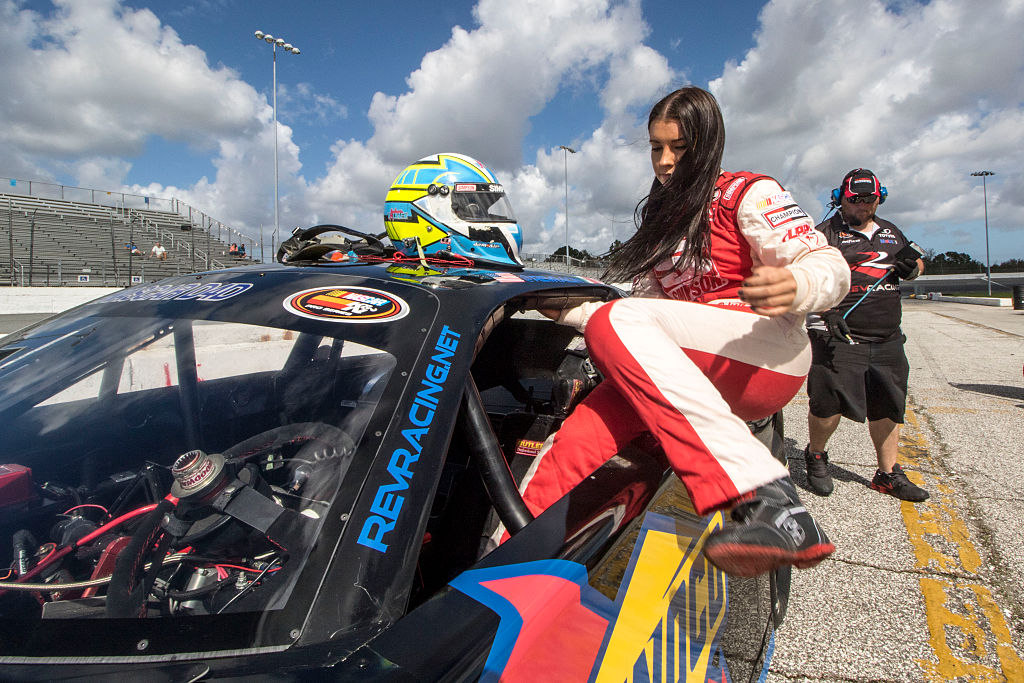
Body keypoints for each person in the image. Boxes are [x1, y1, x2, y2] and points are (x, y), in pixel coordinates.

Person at [505, 87, 851, 577]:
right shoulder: (662, 218)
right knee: (576, 438)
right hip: (685, 365)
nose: (664, 162)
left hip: (766, 356)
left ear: (709, 144)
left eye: (679, 147)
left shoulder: (749, 193)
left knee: (615, 319)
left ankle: (765, 494)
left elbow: (829, 264)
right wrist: (556, 306)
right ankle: (500, 562)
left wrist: (799, 283)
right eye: (655, 147)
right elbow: (640, 315)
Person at [803, 169, 929, 502]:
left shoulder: (890, 231)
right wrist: (826, 312)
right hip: (838, 334)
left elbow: (917, 265)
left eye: (869, 199)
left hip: (886, 336)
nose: (862, 205)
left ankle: (887, 473)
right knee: (828, 405)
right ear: (840, 198)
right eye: (855, 199)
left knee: (889, 406)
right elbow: (806, 278)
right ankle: (816, 454)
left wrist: (911, 269)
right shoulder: (825, 233)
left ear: (879, 197)